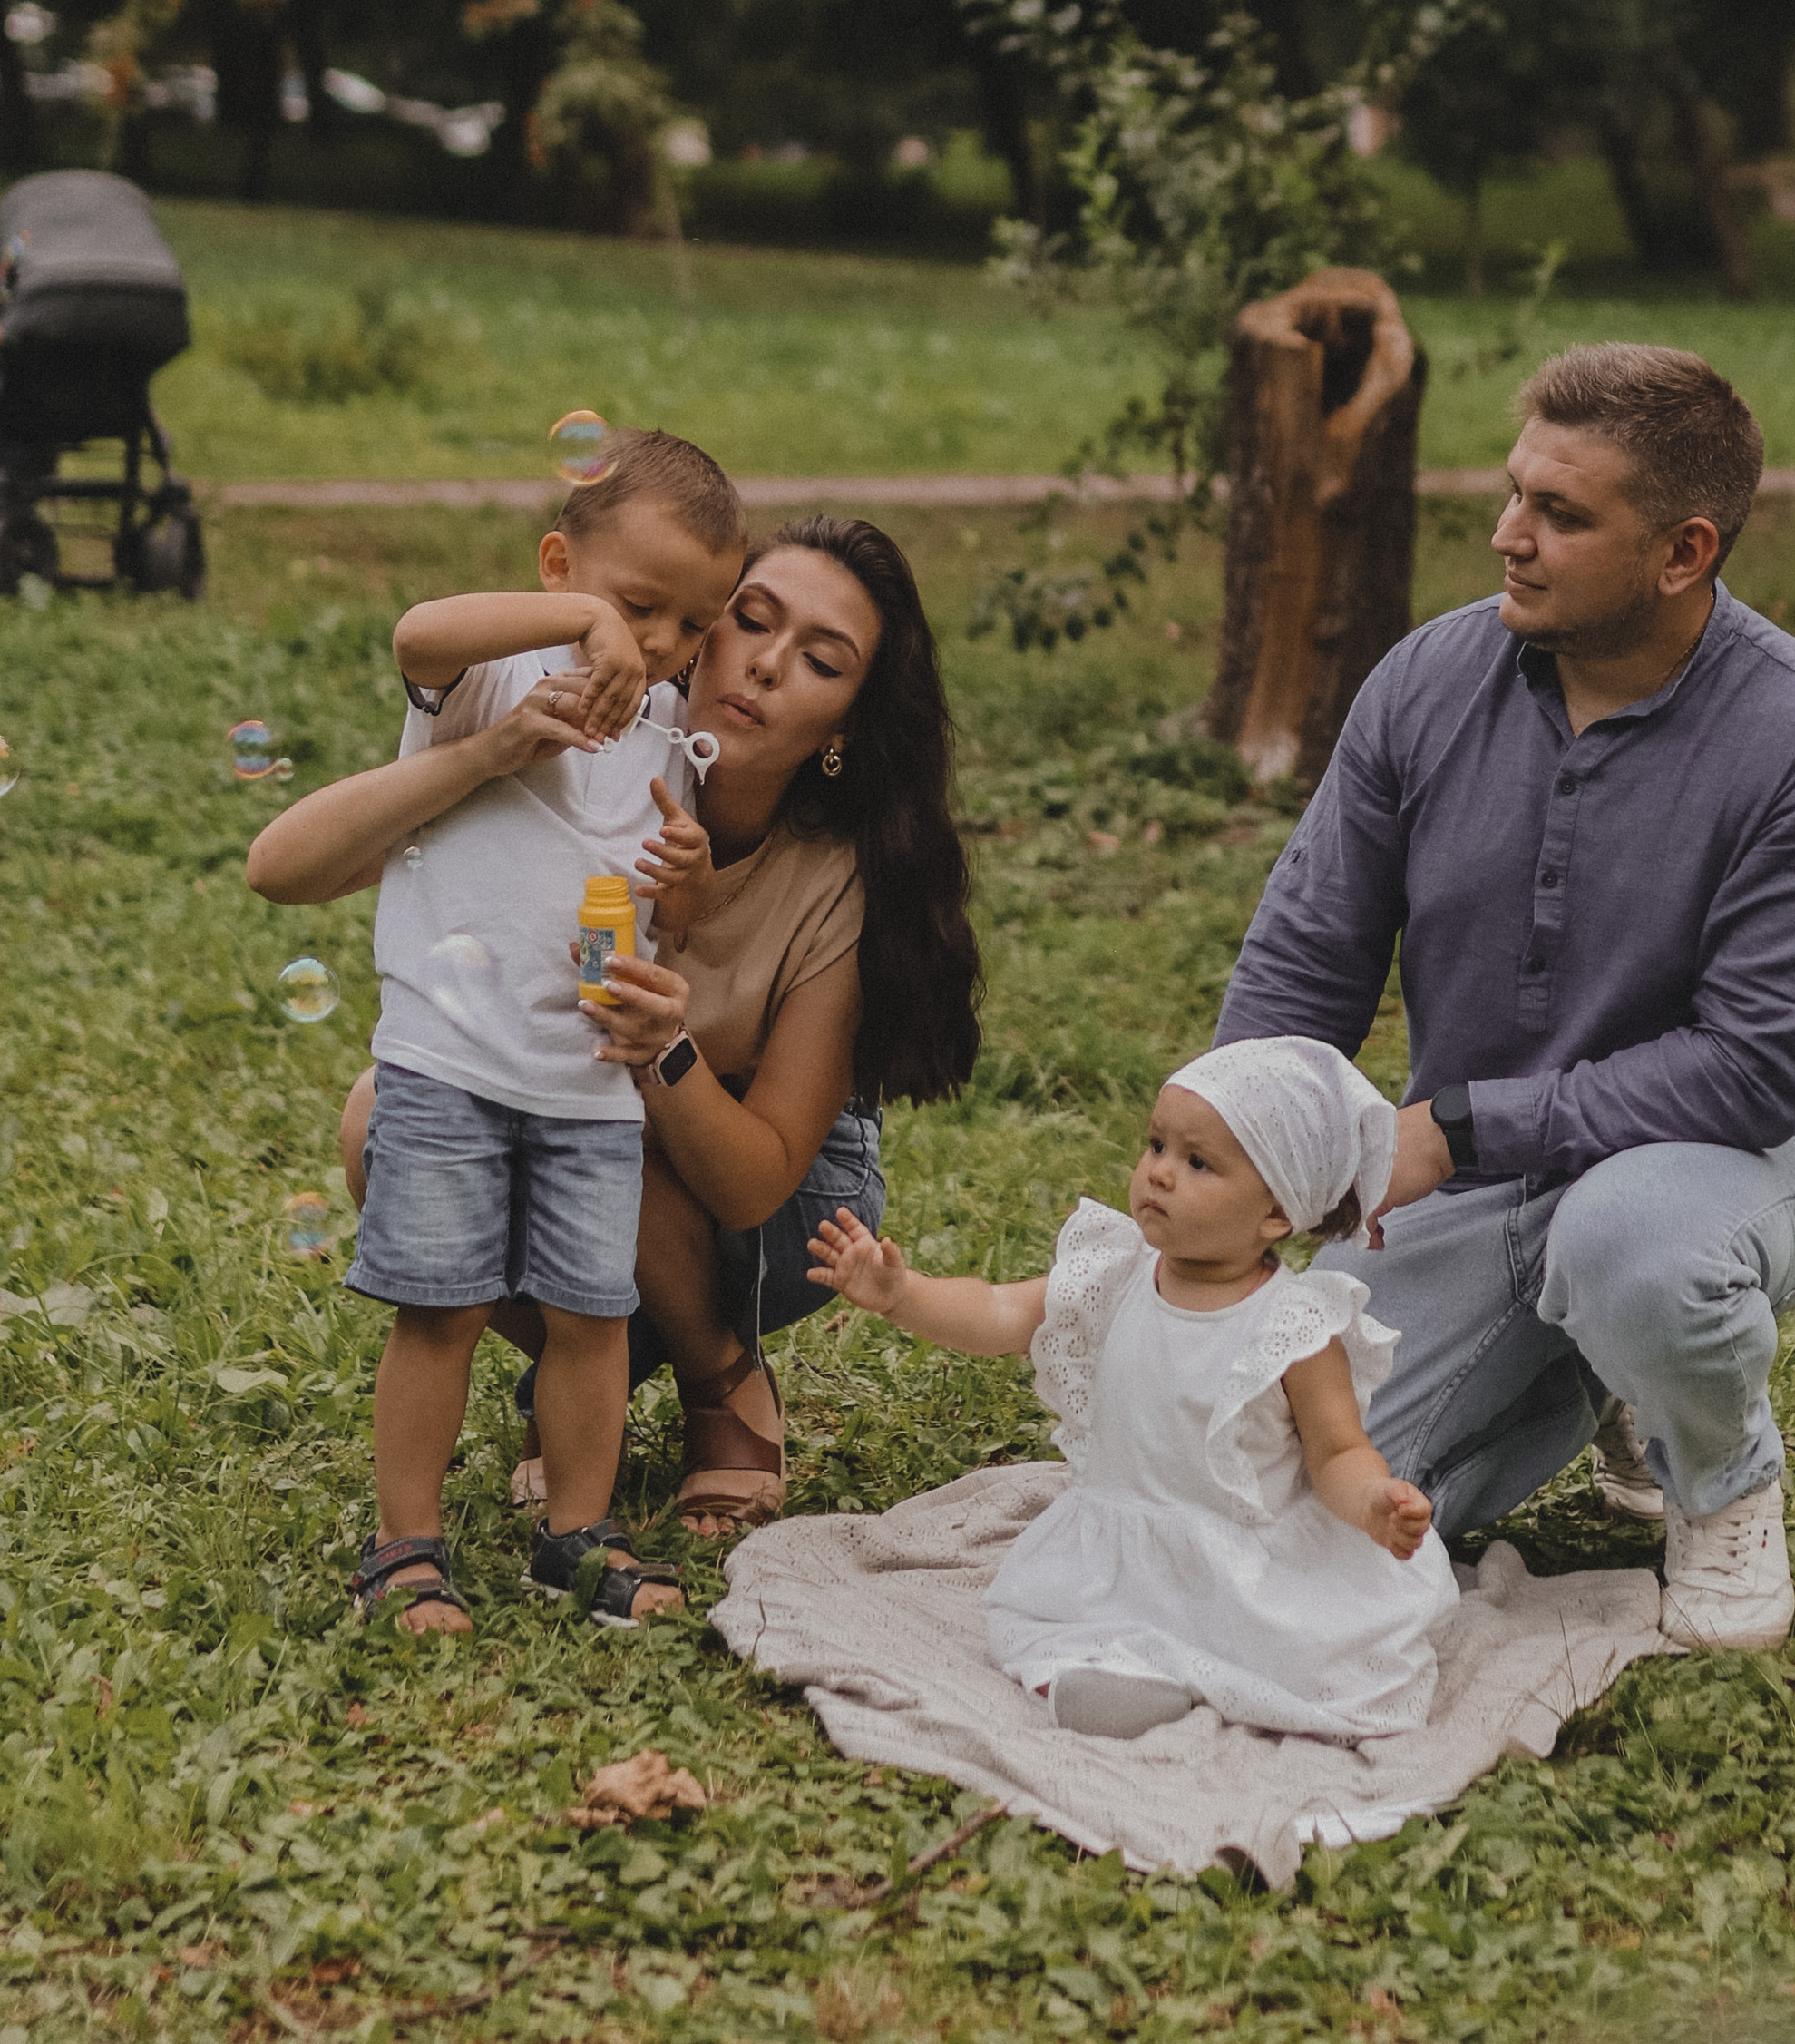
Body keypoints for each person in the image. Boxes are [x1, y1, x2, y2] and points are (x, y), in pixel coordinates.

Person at [1215, 341, 1795, 1656]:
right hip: (1477, 1184)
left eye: (1559, 514)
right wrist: (1232, 1154)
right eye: (1515, 493)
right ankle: (1601, 1370)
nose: (1507, 536)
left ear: (1684, 553)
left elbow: (1753, 1071)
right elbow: (1309, 956)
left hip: (1726, 1166)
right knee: (1292, 1497)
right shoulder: (1426, 680)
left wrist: (1455, 1128)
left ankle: (1723, 1481)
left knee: (1627, 1249)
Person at [329, 513, 983, 1562]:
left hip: (778, 1211)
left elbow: (757, 1180)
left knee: (601, 1114)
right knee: (393, 1112)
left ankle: (720, 1371)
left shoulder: (843, 878)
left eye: (819, 660)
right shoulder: (600, 748)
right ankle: (590, 1368)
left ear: (844, 727)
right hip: (579, 1125)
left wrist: (663, 1051)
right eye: (749, 622)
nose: (765, 666)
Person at [249, 427, 749, 1637]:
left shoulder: (664, 725)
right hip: (450, 1063)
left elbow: (667, 909)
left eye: (692, 623)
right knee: (444, 1311)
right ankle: (402, 1552)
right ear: (555, 564)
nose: (662, 647)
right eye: (640, 606)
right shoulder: (494, 674)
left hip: (584, 1081)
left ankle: (577, 1536)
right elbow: (416, 630)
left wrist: (688, 876)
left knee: (592, 1318)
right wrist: (581, 630)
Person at [808, 1035, 1458, 1744]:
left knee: (1298, 1655)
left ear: (1276, 1213)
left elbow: (1337, 1453)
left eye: (1198, 1162)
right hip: (1117, 1554)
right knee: (1062, 1619)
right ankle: (1106, 1681)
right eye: (1156, 1146)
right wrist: (903, 1295)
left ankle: (1192, 1673)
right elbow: (999, 1312)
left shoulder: (1294, 1327)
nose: (1160, 1174)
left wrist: (1372, 1502)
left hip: (1236, 1567)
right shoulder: (1116, 1274)